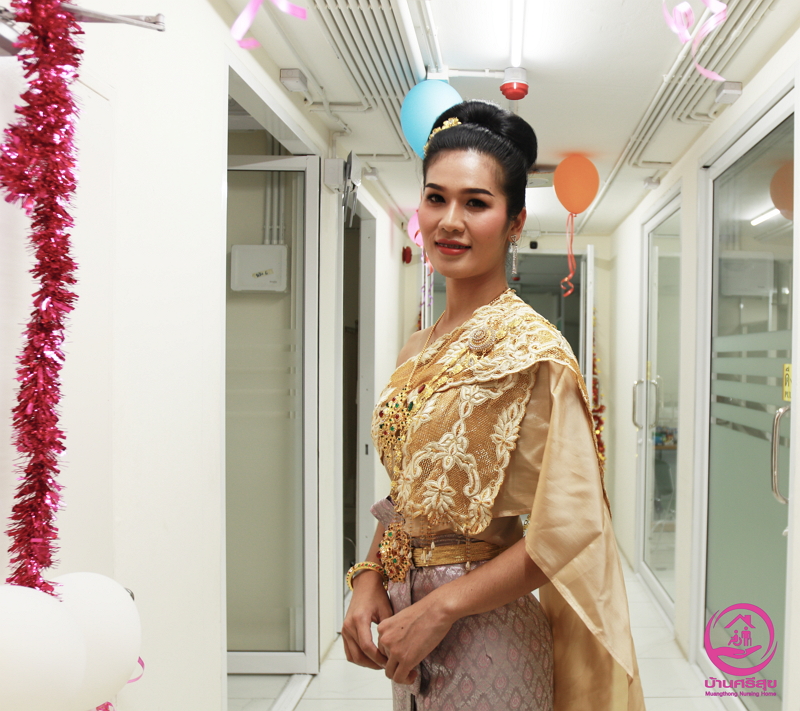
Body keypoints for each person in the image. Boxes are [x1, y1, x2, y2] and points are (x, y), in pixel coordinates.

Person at [341, 100, 645, 711]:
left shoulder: (534, 352)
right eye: (436, 198)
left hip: (486, 633)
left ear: (513, 221)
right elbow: (408, 487)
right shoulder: (419, 346)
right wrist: (368, 572)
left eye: (476, 203)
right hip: (406, 624)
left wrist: (441, 607)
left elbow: (571, 529)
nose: (450, 221)